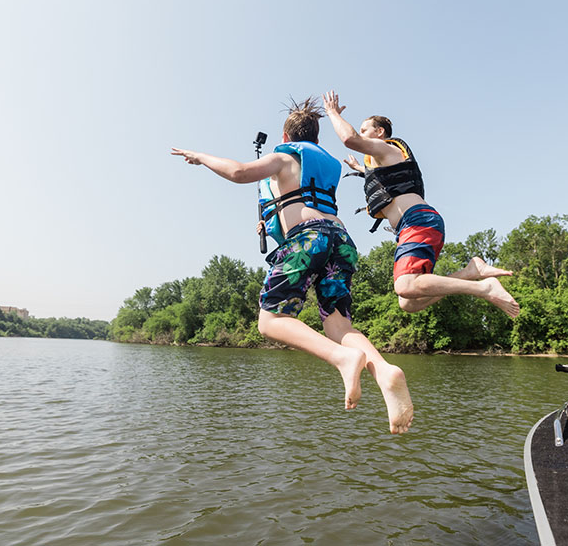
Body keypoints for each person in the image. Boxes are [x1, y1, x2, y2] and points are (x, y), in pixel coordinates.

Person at [171, 97, 413, 434]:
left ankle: (342, 359)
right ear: (315, 137)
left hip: (308, 238)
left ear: (286, 136)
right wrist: (271, 221)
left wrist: (201, 157)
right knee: (338, 324)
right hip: (340, 239)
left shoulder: (286, 154)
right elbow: (301, 198)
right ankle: (385, 371)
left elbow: (240, 172)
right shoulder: (327, 161)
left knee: (270, 321)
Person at [322, 91, 520, 318]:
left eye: (366, 130)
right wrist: (360, 169)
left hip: (417, 221)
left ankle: (485, 287)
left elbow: (350, 139)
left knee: (405, 285)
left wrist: (332, 113)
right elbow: (384, 179)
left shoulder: (387, 148)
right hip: (411, 226)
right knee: (408, 302)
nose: (362, 133)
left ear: (380, 132)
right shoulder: (383, 160)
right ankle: (470, 272)